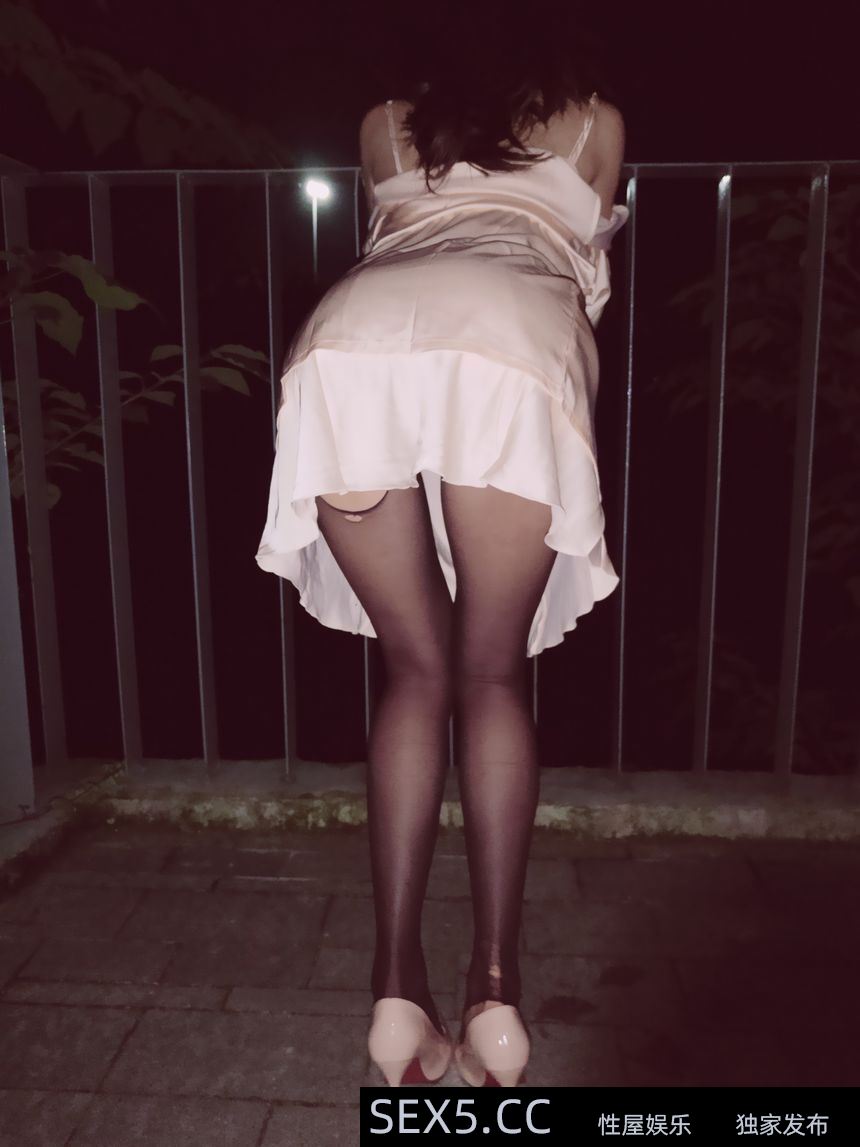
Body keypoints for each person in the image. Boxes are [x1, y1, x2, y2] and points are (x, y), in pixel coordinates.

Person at [255, 1, 628, 1087]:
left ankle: (394, 993)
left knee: (415, 671)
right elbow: (583, 281)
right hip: (509, 347)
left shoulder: (385, 124)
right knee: (490, 674)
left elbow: (394, 242)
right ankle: (495, 995)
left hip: (349, 350)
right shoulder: (595, 123)